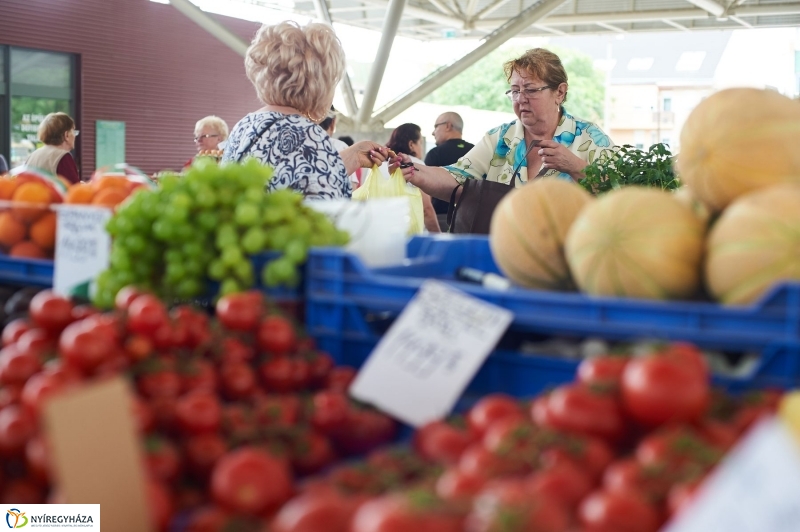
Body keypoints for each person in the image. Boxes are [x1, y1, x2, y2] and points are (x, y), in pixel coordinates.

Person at [393, 48, 615, 204]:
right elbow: (456, 177)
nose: (520, 99)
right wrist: (414, 172)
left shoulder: (590, 138)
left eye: (530, 89)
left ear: (560, 92)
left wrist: (574, 166)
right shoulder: (499, 138)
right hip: (503, 253)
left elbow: (619, 193)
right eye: (515, 91)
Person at [222, 21, 387, 198]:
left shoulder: (244, 125)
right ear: (321, 84)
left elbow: (284, 179)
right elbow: (325, 211)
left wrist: (352, 156)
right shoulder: (310, 136)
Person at [382, 123, 440, 233]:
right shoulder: (416, 164)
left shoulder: (377, 165)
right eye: (420, 143)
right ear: (411, 144)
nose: (421, 148)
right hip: (409, 232)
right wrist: (438, 236)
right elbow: (426, 209)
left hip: (381, 230)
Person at [424, 112, 474, 229]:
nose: (433, 132)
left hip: (442, 220)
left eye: (436, 126)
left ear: (448, 126)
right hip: (471, 220)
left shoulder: (435, 154)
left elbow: (427, 196)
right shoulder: (475, 151)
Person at [25, 112, 81, 184]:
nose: (75, 136)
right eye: (73, 131)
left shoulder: (32, 155)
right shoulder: (63, 157)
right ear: (66, 135)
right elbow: (73, 190)